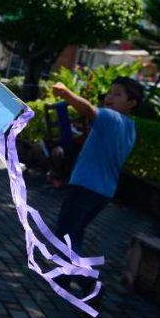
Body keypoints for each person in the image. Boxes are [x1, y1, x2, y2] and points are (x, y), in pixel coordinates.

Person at [51, 77, 143, 255]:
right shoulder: (130, 128)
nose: (110, 97)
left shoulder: (111, 117)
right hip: (103, 193)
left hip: (84, 186)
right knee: (74, 234)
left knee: (64, 236)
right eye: (110, 92)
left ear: (132, 103)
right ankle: (64, 280)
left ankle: (86, 280)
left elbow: (88, 110)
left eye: (118, 94)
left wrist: (66, 93)